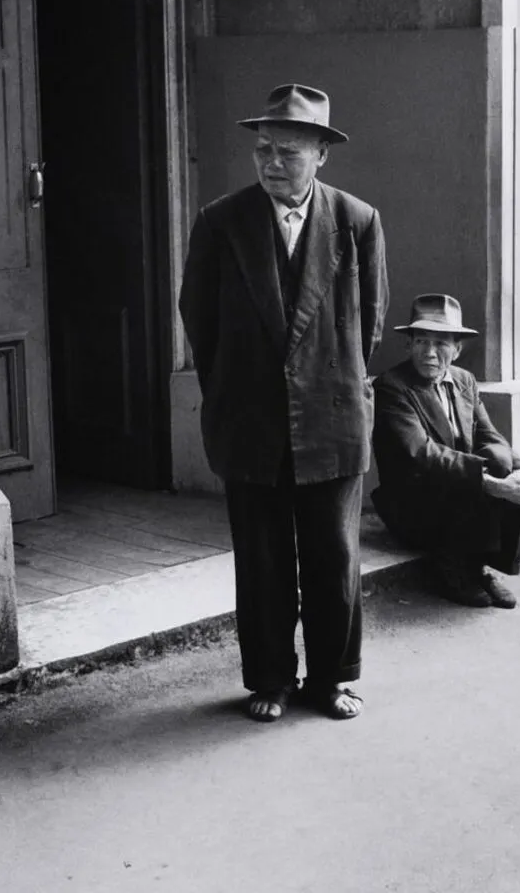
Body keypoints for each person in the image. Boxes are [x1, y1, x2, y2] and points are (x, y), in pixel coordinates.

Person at [180, 83, 389, 722]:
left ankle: (331, 679)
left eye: (289, 152)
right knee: (263, 560)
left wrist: (336, 387)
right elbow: (200, 318)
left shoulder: (357, 221)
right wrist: (234, 395)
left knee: (334, 558)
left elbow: (371, 320)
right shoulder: (221, 222)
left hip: (332, 421)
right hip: (251, 422)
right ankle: (269, 678)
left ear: (322, 154)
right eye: (263, 150)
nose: (272, 162)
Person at [372, 294, 520, 609]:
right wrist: (495, 485)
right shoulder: (392, 387)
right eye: (421, 341)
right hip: (413, 503)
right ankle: (451, 571)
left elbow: (489, 434)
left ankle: (479, 567)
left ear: (456, 350)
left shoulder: (465, 381)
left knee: (501, 462)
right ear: (408, 345)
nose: (429, 352)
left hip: (459, 492)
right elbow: (423, 454)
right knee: (478, 477)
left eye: (441, 344)